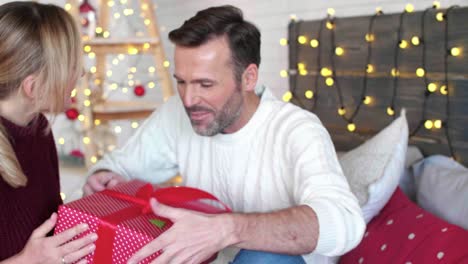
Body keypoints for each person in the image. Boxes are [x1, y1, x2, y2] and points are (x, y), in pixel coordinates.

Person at [84, 5, 365, 264]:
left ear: (248, 78)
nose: (189, 98)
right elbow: (119, 166)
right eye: (181, 82)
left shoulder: (296, 129)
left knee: (263, 257)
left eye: (205, 84)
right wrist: (105, 176)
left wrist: (227, 229)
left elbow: (345, 223)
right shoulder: (178, 114)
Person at [0, 2, 97, 264]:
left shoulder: (39, 128)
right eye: (71, 66)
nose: (81, 73)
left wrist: (86, 212)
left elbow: (45, 224)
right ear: (32, 87)